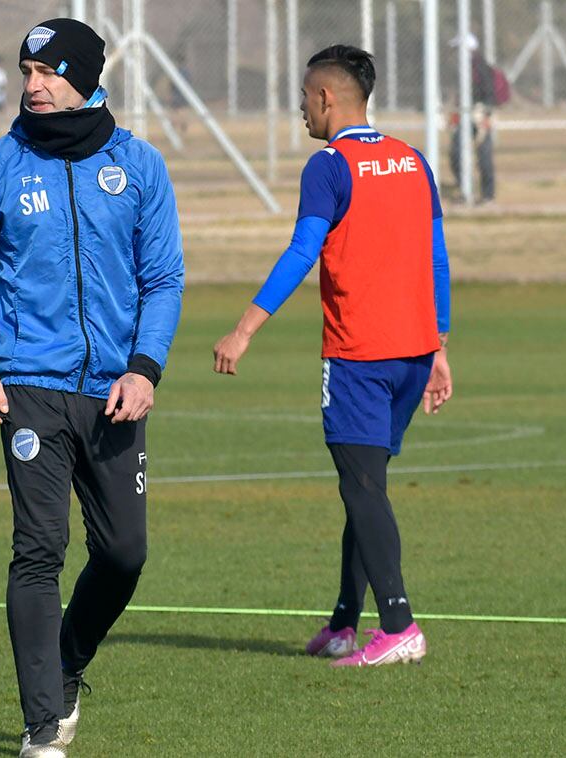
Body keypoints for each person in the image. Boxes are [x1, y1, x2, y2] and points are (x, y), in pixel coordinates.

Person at [0, 19, 184, 757]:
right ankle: (42, 726)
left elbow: (163, 279)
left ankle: (68, 661)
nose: (32, 85)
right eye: (26, 71)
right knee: (37, 550)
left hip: (116, 390)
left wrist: (144, 368)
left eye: (47, 71)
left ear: (83, 74)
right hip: (28, 390)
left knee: (124, 555)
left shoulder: (137, 166)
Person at [212, 45, 452, 668]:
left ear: (325, 97)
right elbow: (436, 257)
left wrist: (243, 329)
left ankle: (398, 626)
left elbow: (301, 252)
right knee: (363, 486)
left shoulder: (328, 165)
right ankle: (346, 621)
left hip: (360, 356)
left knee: (363, 487)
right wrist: (441, 347)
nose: (299, 108)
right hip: (413, 354)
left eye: (302, 96)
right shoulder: (412, 159)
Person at [448, 33, 497, 202]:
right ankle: (465, 190)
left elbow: (490, 93)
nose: (454, 53)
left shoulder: (481, 67)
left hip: (480, 113)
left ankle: (487, 195)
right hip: (464, 114)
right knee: (456, 153)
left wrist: (486, 115)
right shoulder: (461, 69)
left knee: (484, 155)